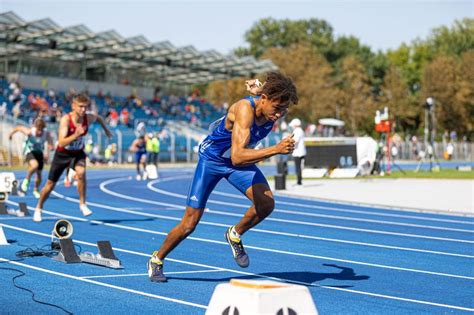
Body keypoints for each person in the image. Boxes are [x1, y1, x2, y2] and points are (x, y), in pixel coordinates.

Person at [147, 72, 298, 282]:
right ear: (264, 99)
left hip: (237, 163)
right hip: (213, 160)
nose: (279, 114)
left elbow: (239, 158)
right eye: (277, 108)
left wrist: (262, 92)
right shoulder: (245, 110)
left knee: (266, 204)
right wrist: (276, 149)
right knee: (189, 224)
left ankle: (234, 233)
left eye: (284, 110)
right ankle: (157, 259)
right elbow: (237, 156)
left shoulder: (267, 105)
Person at [33, 93, 112, 222]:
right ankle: (39, 207)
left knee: (81, 173)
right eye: (81, 107)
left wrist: (106, 130)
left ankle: (82, 204)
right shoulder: (66, 120)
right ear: (73, 106)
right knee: (50, 184)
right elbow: (62, 142)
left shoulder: (88, 117)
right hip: (62, 154)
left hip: (77, 153)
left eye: (86, 107)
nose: (83, 110)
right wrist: (75, 135)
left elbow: (98, 118)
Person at [9, 118, 53, 198]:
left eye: (41, 131)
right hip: (30, 151)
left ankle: (36, 190)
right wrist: (11, 134)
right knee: (34, 165)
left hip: (39, 153)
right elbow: (19, 127)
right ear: (35, 127)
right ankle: (26, 180)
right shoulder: (30, 132)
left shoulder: (46, 133)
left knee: (39, 175)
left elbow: (50, 143)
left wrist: (50, 149)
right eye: (38, 130)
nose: (39, 132)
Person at [289, 118, 306, 185]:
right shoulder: (300, 130)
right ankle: (299, 181)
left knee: (298, 167)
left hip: (298, 153)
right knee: (299, 167)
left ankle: (299, 182)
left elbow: (295, 141)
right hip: (300, 152)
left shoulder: (297, 131)